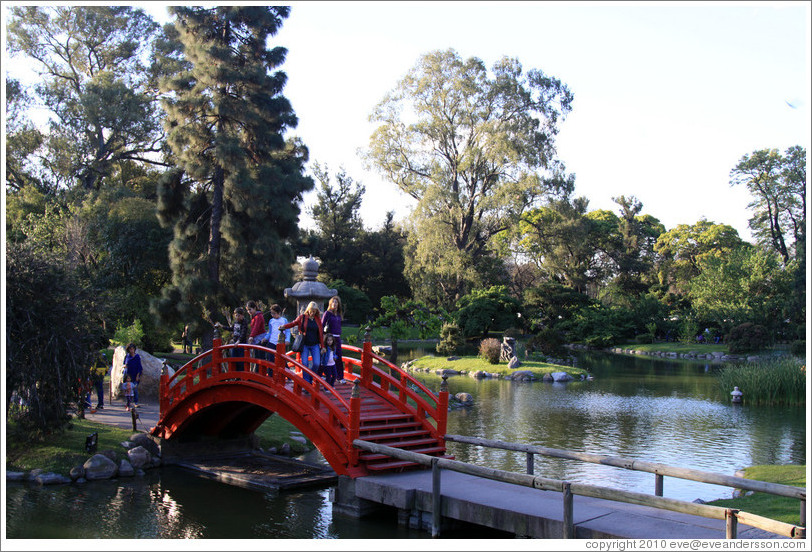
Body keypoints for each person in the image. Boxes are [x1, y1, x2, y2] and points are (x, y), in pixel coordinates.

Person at [280, 301, 324, 384]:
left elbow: (321, 334)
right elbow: (293, 323)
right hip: (305, 345)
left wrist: (323, 346)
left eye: (314, 311)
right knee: (304, 363)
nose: (312, 313)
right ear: (308, 309)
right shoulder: (302, 317)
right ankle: (306, 382)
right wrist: (284, 327)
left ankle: (310, 378)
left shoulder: (317, 319)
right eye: (311, 310)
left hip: (315, 345)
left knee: (317, 364)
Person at [322, 296, 346, 383]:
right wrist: (323, 338)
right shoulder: (327, 313)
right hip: (329, 338)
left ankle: (340, 377)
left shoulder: (339, 314)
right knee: (327, 356)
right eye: (333, 302)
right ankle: (323, 374)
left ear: (338, 304)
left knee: (338, 357)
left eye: (336, 302)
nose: (335, 304)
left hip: (337, 338)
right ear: (330, 303)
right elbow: (322, 325)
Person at [246, 301, 266, 371]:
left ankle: (260, 374)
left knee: (260, 357)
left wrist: (251, 336)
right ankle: (258, 374)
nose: (249, 311)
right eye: (247, 310)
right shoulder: (254, 317)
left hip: (260, 338)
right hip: (256, 338)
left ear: (254, 308)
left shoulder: (259, 316)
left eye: (250, 309)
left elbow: (256, 328)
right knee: (257, 357)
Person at [89, 347, 108, 411]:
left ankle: (87, 403)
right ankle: (101, 404)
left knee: (89, 389)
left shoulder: (92, 355)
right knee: (100, 389)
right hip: (101, 374)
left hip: (94, 374)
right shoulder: (103, 355)